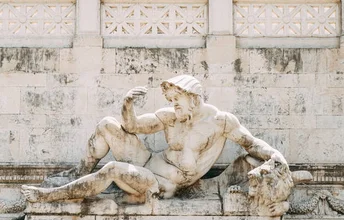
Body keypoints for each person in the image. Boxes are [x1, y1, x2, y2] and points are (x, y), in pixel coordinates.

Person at [22, 75, 286, 205]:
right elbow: (132, 126)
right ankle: (79, 173)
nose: (172, 105)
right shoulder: (171, 116)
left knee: (113, 169)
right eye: (170, 100)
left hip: (162, 183)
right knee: (107, 125)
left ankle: (50, 196)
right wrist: (127, 104)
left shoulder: (220, 121)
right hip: (148, 161)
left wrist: (277, 157)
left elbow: (251, 144)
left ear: (193, 98)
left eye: (176, 99)